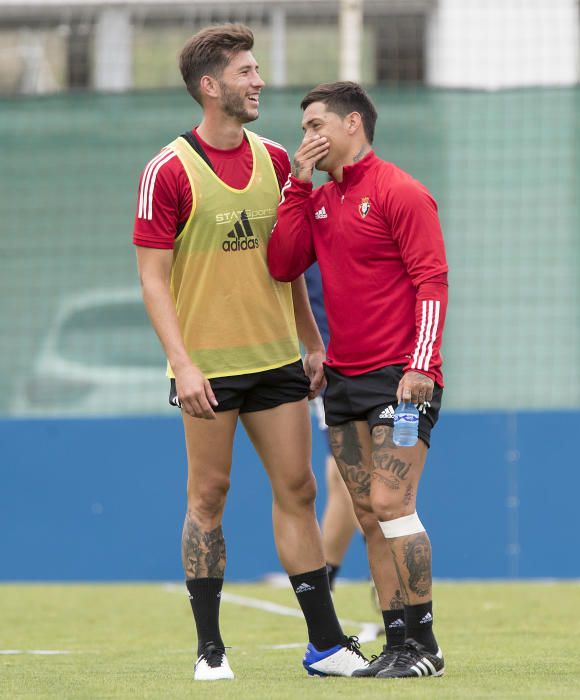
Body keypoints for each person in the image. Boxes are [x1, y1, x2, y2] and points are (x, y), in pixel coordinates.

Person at [132, 29, 367, 681]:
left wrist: (312, 341)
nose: (258, 81)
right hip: (206, 367)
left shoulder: (274, 160)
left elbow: (286, 262)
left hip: (276, 361)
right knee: (209, 496)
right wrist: (182, 363)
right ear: (211, 87)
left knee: (298, 488)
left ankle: (324, 645)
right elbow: (152, 278)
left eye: (257, 69)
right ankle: (210, 649)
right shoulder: (168, 170)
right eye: (246, 71)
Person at [268, 81, 449, 679]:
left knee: (394, 500)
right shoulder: (318, 201)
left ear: (352, 125)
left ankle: (425, 645)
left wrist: (422, 363)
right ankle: (396, 643)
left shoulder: (401, 191)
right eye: (303, 129)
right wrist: (296, 182)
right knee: (368, 512)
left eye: (316, 125)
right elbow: (283, 262)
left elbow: (432, 281)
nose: (307, 138)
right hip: (342, 381)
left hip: (400, 379)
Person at [304, 263, 357, 591]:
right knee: (340, 476)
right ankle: (327, 579)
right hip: (329, 366)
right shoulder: (303, 224)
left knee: (354, 476)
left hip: (352, 366)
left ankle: (392, 596)